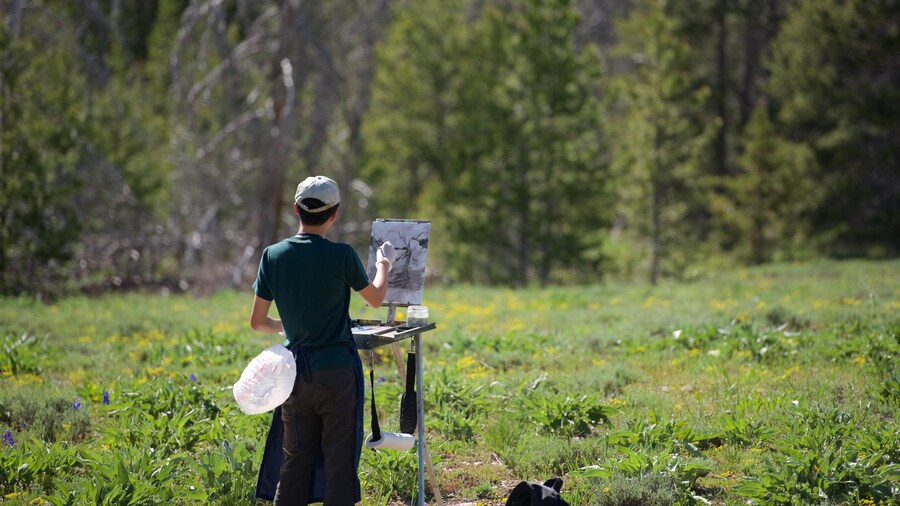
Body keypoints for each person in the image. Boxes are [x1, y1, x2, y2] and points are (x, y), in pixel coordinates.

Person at [249, 175, 396, 505]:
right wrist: (384, 264)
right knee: (339, 467)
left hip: (293, 375)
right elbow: (374, 298)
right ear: (335, 214)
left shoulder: (272, 255)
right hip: (337, 373)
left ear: (295, 210)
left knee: (294, 464)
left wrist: (289, 327)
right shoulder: (341, 255)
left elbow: (258, 322)